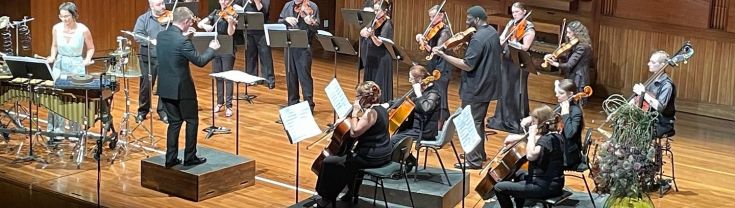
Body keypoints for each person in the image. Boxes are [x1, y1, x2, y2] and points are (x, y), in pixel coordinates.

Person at [433, 6, 501, 169]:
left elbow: (467, 65)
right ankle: (479, 153)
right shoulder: (492, 32)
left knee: (472, 123)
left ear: (477, 19)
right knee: (478, 121)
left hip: (475, 87)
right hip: (487, 85)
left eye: (469, 19)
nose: (466, 21)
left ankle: (473, 161)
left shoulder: (478, 39)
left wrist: (444, 55)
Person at [157, 7, 220, 168]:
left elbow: (174, 51)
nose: (192, 24)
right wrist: (212, 49)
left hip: (165, 87)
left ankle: (170, 159)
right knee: (191, 121)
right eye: (190, 21)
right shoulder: (182, 41)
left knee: (174, 123)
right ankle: (190, 157)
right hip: (182, 89)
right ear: (185, 22)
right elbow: (199, 61)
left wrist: (187, 37)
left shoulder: (161, 35)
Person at [313, 81, 392, 207]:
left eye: (357, 96)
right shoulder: (382, 108)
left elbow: (354, 132)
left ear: (364, 98)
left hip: (371, 157)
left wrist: (354, 112)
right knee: (349, 161)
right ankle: (351, 192)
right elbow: (368, 126)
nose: (356, 99)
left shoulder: (371, 113)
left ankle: (325, 198)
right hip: (384, 153)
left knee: (329, 162)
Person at [494, 105, 566, 208]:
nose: (531, 124)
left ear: (541, 122)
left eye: (533, 122)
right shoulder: (555, 136)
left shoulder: (546, 140)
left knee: (499, 188)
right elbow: (539, 141)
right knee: (518, 174)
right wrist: (518, 138)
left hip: (544, 186)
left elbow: (530, 155)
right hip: (554, 182)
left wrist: (531, 134)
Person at [45, 2, 95, 144]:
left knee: (74, 98)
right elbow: (54, 46)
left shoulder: (83, 29)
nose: (64, 19)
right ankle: (55, 132)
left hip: (76, 65)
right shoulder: (56, 28)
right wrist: (52, 56)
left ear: (74, 15)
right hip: (60, 64)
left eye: (67, 16)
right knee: (56, 97)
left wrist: (87, 59)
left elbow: (91, 48)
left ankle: (75, 132)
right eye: (61, 16)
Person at [488, 2, 535, 134]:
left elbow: (525, 47)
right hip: (507, 61)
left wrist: (514, 43)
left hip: (519, 64)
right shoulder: (511, 24)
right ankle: (502, 118)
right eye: (513, 12)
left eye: (517, 12)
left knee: (516, 91)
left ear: (524, 12)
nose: (514, 15)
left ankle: (516, 120)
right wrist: (501, 41)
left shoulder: (529, 28)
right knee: (505, 89)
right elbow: (502, 37)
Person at [520, 79, 584, 169]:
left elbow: (570, 134)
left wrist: (565, 114)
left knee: (537, 157)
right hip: (558, 147)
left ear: (570, 94)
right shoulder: (561, 105)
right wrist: (531, 118)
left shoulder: (575, 111)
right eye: (557, 92)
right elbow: (549, 114)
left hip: (567, 156)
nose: (557, 95)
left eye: (561, 93)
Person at [389, 65, 441, 171]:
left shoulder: (433, 93)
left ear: (420, 80)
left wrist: (418, 93)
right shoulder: (422, 91)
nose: (409, 80)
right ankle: (409, 160)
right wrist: (388, 104)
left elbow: (426, 108)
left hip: (424, 130)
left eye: (411, 78)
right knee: (398, 133)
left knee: (394, 139)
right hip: (416, 127)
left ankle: (394, 167)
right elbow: (406, 100)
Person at [198, 0, 239, 117]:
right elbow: (200, 23)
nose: (224, 2)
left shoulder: (233, 14)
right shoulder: (215, 12)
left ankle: (229, 105)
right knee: (218, 76)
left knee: (228, 77)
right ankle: (219, 102)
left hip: (227, 48)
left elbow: (230, 33)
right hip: (216, 47)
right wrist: (206, 26)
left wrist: (231, 23)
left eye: (226, 0)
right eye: (222, 0)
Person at [415, 4, 453, 126]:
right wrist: (421, 38)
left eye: (433, 17)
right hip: (434, 65)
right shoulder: (434, 29)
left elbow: (437, 51)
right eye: (430, 17)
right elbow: (429, 50)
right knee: (435, 92)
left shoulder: (445, 31)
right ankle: (436, 120)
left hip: (442, 67)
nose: (431, 20)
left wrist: (424, 43)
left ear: (441, 16)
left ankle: (441, 123)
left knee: (440, 93)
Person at [278, 0, 319, 110]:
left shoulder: (312, 6)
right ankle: (292, 103)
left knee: (304, 77)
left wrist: (309, 23)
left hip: (304, 46)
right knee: (290, 76)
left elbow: (316, 28)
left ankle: (309, 105)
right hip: (289, 45)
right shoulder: (288, 5)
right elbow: (279, 21)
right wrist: (286, 20)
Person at [133, 0, 168, 124]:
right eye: (159, 4)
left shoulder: (169, 18)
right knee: (146, 85)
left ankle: (163, 111)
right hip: (147, 57)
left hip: (165, 56)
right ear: (151, 5)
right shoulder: (143, 19)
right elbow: (137, 35)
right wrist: (150, 41)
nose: (163, 6)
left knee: (164, 84)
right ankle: (142, 111)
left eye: (163, 3)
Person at [544, 20, 592, 106]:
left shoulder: (582, 47)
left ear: (577, 33)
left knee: (575, 105)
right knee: (567, 104)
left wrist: (554, 64)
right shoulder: (576, 44)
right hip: (572, 75)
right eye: (567, 32)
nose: (567, 35)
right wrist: (555, 56)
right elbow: (569, 57)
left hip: (578, 78)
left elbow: (569, 65)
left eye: (569, 33)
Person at [633, 51, 676, 138]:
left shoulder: (667, 85)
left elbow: (660, 107)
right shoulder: (651, 81)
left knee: (634, 130)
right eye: (650, 61)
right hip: (649, 119)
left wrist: (643, 93)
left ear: (662, 65)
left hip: (662, 123)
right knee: (625, 123)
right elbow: (638, 100)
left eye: (653, 62)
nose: (649, 64)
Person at [235, 0, 275, 89]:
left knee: (265, 55)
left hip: (262, 31)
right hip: (249, 30)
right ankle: (251, 78)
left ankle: (269, 79)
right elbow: (235, 4)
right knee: (250, 55)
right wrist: (237, 7)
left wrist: (257, 2)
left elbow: (264, 11)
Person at [359, 1, 393, 102]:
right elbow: (362, 31)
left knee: (378, 84)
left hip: (381, 58)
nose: (375, 12)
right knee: (369, 83)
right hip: (372, 56)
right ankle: (368, 104)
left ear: (385, 11)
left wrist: (372, 35)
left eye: (377, 10)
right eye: (374, 10)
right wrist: (365, 32)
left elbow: (379, 43)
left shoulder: (388, 24)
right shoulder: (375, 20)